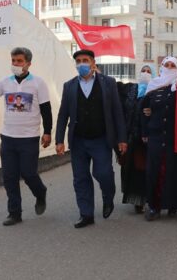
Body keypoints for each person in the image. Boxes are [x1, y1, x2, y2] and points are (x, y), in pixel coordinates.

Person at [55, 49, 127, 228]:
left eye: (85, 60)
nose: (82, 64)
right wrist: (59, 140)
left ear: (93, 63)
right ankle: (86, 214)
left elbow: (117, 112)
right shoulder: (69, 86)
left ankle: (108, 196)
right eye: (78, 61)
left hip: (101, 138)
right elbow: (63, 114)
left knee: (103, 173)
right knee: (80, 178)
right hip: (78, 140)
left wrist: (122, 139)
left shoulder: (108, 83)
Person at [0, 47, 51, 226]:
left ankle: (40, 192)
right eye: (13, 60)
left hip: (29, 137)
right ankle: (14, 213)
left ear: (28, 63)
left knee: (28, 173)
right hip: (8, 137)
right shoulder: (6, 82)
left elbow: (46, 110)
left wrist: (48, 132)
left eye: (19, 61)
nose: (16, 64)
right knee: (9, 177)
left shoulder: (38, 83)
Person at [141, 57, 177, 221]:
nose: (170, 68)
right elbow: (143, 110)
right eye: (167, 65)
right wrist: (144, 133)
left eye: (173, 65)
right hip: (156, 135)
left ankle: (173, 204)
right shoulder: (153, 86)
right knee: (154, 172)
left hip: (176, 136)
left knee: (175, 171)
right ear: (161, 67)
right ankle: (154, 206)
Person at [116, 65, 155, 213]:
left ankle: (145, 199)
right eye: (143, 71)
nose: (145, 73)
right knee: (131, 170)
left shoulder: (157, 90)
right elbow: (113, 86)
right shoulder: (131, 89)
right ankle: (136, 200)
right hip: (130, 138)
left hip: (147, 140)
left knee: (143, 169)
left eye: (149, 71)